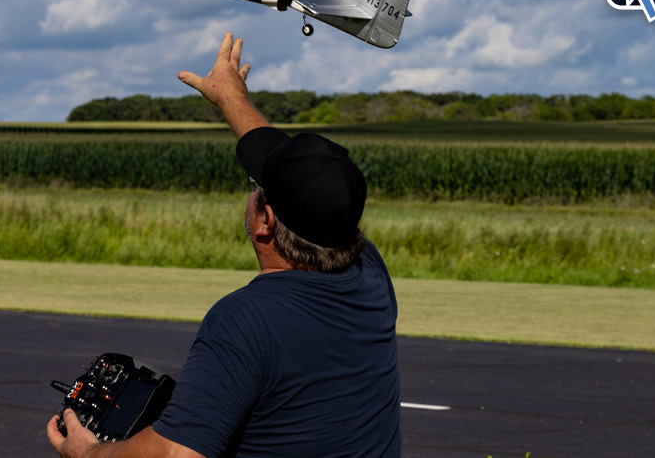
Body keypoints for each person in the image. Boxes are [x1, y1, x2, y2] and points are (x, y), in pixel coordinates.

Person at [46, 33, 401, 458]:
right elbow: (306, 180)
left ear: (265, 221)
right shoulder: (368, 270)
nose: (250, 189)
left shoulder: (246, 319)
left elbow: (178, 455)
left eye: (255, 186)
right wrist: (229, 95)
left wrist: (88, 454)